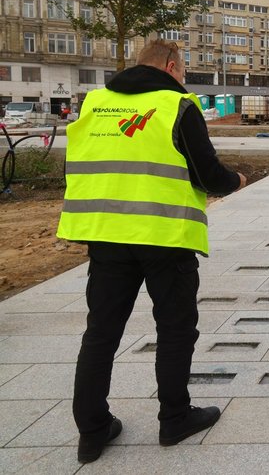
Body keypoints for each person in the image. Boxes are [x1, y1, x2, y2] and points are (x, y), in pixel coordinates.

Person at [57, 39, 246, 463]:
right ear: (172, 65)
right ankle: (174, 419)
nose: (183, 78)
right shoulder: (177, 105)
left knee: (101, 333)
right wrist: (236, 181)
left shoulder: (95, 102)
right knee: (175, 330)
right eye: (183, 71)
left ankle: (92, 431)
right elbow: (208, 174)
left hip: (105, 234)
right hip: (164, 236)